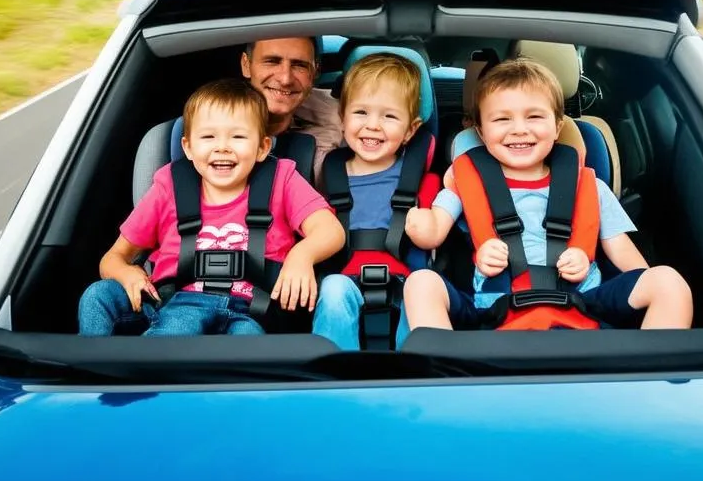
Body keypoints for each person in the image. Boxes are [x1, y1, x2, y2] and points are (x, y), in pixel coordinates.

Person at [402, 57, 693, 334]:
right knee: (420, 283)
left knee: (668, 281)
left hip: (585, 303)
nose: (519, 130)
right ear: (481, 130)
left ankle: (653, 379)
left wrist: (632, 281)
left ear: (557, 127)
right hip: (494, 308)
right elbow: (431, 235)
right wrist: (416, 220)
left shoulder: (589, 186)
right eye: (502, 119)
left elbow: (626, 257)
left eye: (534, 117)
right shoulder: (465, 183)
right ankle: (440, 375)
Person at [78, 77, 345, 336]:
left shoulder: (281, 179)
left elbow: (331, 231)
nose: (222, 148)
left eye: (238, 137)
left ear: (263, 147)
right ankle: (99, 374)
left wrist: (302, 256)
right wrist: (127, 273)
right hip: (178, 303)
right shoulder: (171, 185)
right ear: (189, 147)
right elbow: (112, 259)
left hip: (253, 308)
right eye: (208, 137)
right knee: (100, 296)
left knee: (246, 349)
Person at [311, 53, 439, 350]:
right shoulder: (326, 175)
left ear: (411, 130)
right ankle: (331, 374)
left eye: (389, 116)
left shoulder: (424, 181)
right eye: (361, 113)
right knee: (331, 288)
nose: (373, 125)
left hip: (406, 280)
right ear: (342, 118)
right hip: (343, 279)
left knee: (423, 291)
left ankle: (419, 372)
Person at [241, 36, 343, 184]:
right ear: (246, 65)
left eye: (299, 65)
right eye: (272, 61)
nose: (285, 79)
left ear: (315, 72)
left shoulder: (347, 122)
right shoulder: (209, 126)